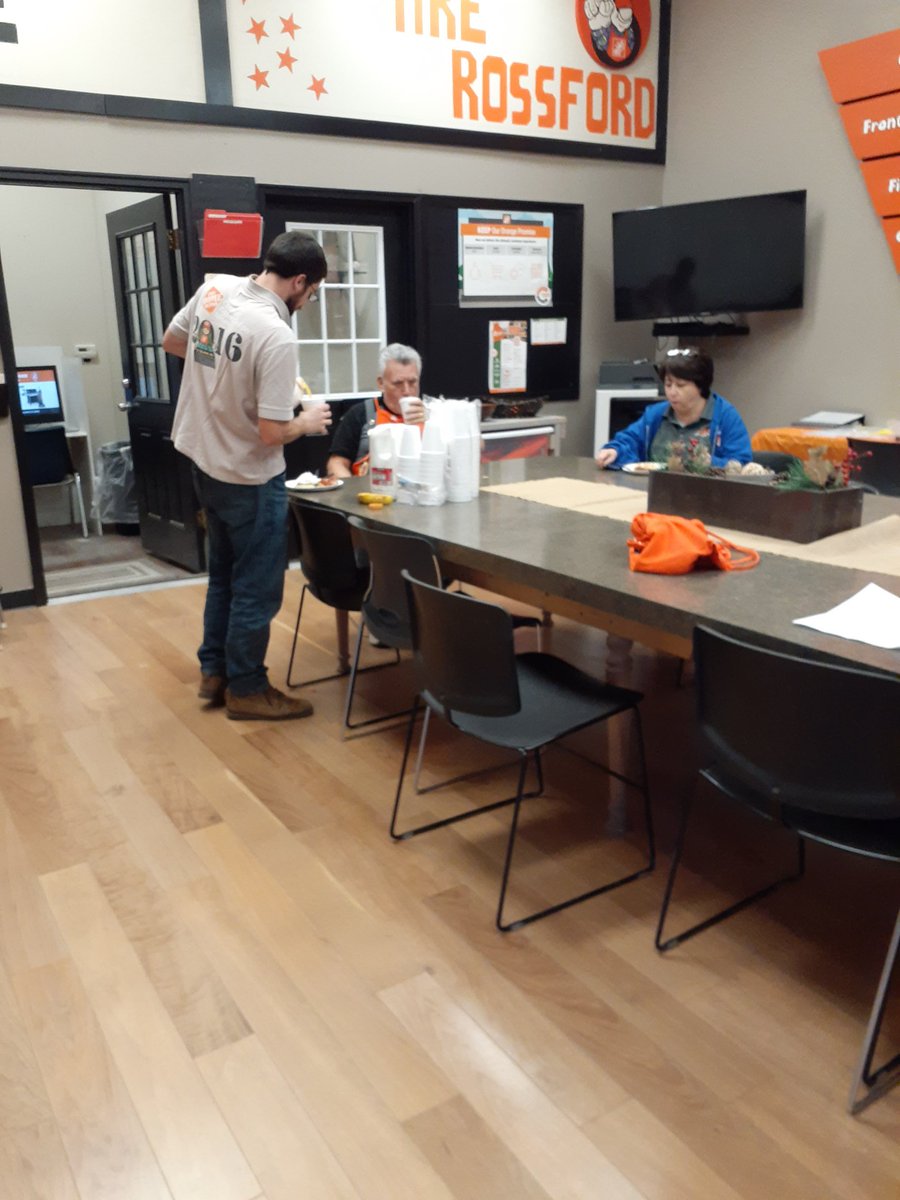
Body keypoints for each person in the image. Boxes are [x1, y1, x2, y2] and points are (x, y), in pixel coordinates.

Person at [162, 230, 330, 721]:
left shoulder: (215, 289)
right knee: (256, 586)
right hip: (248, 476)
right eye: (312, 292)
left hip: (203, 460)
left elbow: (174, 341)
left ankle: (215, 673)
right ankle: (248, 688)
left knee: (223, 576)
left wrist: (228, 376)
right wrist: (308, 422)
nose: (308, 301)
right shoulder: (276, 334)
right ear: (299, 281)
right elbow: (273, 433)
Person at [595, 347, 752, 470]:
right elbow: (630, 440)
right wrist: (614, 451)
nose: (672, 392)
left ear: (701, 385)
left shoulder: (726, 417)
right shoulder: (655, 415)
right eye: (668, 384)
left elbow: (741, 465)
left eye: (680, 385)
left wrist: (707, 463)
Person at [326, 343, 426, 478]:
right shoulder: (361, 414)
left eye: (413, 382)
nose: (407, 391)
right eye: (398, 383)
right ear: (381, 383)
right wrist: (352, 489)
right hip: (371, 488)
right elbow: (336, 463)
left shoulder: (432, 416)